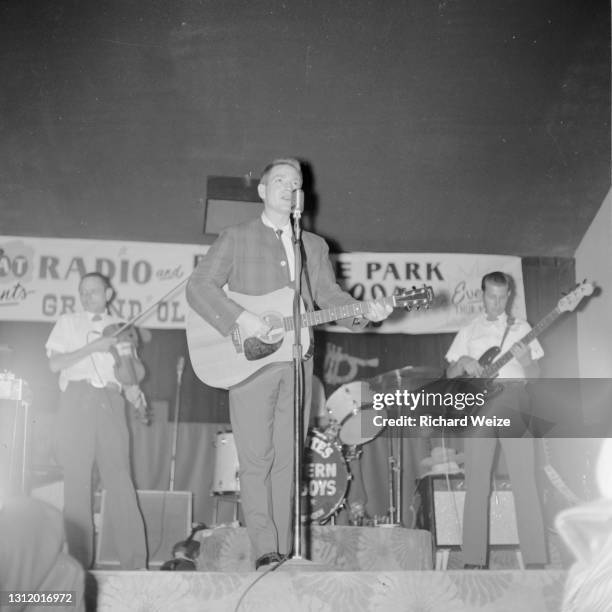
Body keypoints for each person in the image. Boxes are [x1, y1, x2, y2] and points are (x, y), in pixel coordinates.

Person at [186, 158, 391, 570]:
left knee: (288, 459)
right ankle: (266, 549)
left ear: (301, 195)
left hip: (297, 361)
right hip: (249, 360)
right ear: (262, 191)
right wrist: (245, 320)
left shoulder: (312, 245)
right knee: (257, 457)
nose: (288, 187)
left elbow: (330, 299)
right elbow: (199, 286)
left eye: (295, 183)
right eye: (279, 180)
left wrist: (367, 312)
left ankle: (283, 550)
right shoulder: (237, 236)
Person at [445, 270, 547, 569]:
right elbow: (450, 374)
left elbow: (537, 376)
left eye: (503, 297)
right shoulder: (469, 330)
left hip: (515, 401)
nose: (498, 302)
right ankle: (474, 561)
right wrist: (463, 362)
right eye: (492, 296)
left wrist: (526, 361)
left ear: (509, 296)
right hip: (480, 406)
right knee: (476, 482)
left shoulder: (523, 328)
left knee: (524, 481)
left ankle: (536, 561)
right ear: (482, 295)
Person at [45, 272, 147, 570]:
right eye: (83, 291)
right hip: (77, 400)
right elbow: (55, 363)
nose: (88, 296)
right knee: (77, 484)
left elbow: (126, 372)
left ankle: (136, 565)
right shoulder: (68, 322)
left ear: (109, 294)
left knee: (121, 482)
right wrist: (94, 347)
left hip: (111, 403)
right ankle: (79, 566)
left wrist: (134, 392)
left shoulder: (122, 328)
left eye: (94, 291)